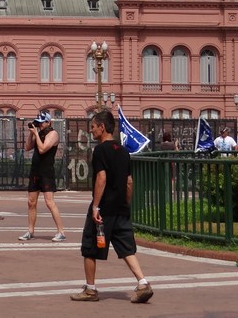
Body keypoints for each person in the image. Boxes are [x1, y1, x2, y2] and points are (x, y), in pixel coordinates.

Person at [71, 109, 153, 303]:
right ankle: (143, 283)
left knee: (90, 246)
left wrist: (96, 207)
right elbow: (129, 181)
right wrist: (126, 203)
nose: (91, 131)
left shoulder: (100, 150)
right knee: (126, 248)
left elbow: (101, 177)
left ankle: (90, 289)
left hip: (104, 209)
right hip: (121, 207)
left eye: (92, 127)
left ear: (102, 127)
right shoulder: (124, 151)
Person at [19, 112, 67, 242]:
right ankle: (30, 231)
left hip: (46, 172)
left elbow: (43, 149)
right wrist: (31, 133)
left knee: (49, 202)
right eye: (38, 123)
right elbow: (28, 147)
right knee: (31, 202)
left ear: (48, 122)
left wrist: (36, 135)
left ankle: (61, 231)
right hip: (35, 171)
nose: (40, 125)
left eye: (42, 122)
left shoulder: (53, 134)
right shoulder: (38, 134)